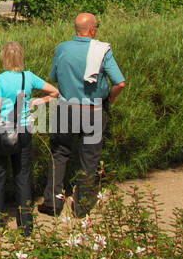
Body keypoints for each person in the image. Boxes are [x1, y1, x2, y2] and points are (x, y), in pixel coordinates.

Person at [39, 12, 125, 219]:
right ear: (93, 29)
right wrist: (110, 98)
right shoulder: (102, 51)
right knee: (89, 158)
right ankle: (82, 207)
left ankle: (52, 202)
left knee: (59, 153)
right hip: (93, 112)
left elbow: (53, 78)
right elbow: (119, 82)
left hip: (65, 109)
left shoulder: (62, 48)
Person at [0, 42, 58, 236]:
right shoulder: (29, 77)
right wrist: (37, 101)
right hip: (25, 130)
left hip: (3, 132)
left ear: (3, 57)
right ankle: (26, 226)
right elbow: (54, 92)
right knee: (23, 176)